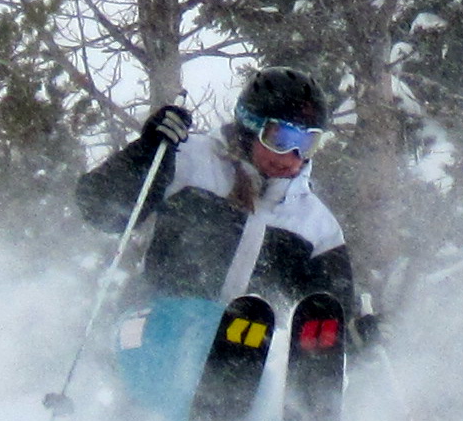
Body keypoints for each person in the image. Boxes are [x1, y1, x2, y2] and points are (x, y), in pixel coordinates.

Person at [75, 66, 357, 313]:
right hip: (158, 324)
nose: (293, 156)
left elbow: (328, 320)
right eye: (281, 138)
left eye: (308, 144)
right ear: (250, 126)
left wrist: (356, 334)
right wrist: (145, 153)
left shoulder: (315, 225)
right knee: (190, 328)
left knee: (257, 348)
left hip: (244, 350)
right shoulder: (189, 161)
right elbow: (100, 208)